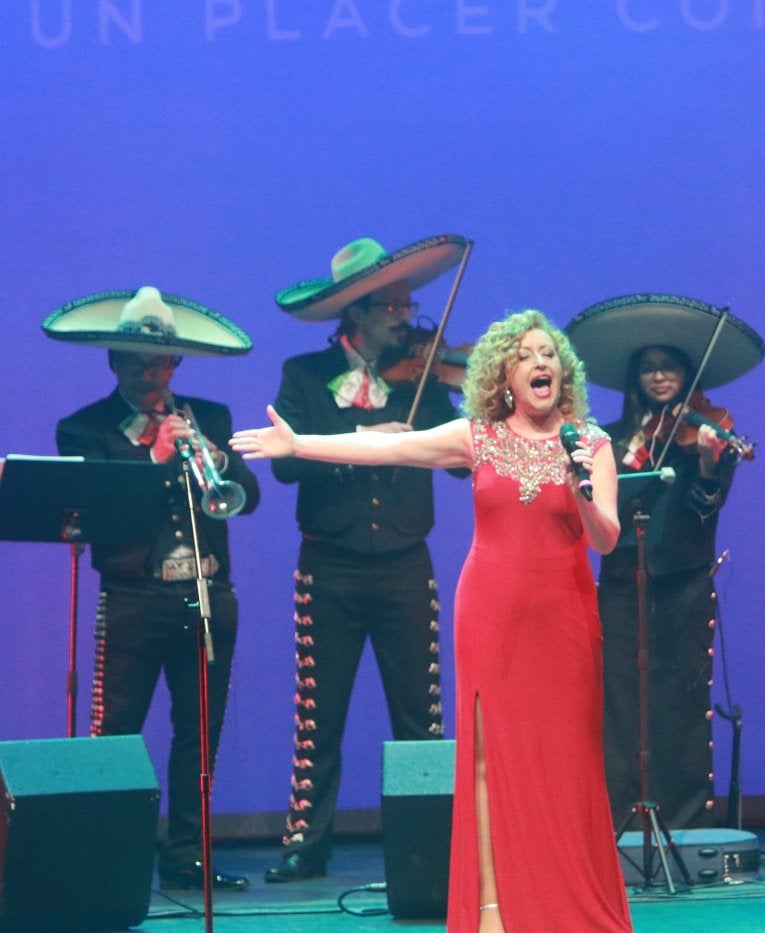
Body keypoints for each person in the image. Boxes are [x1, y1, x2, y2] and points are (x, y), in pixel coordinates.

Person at [233, 309, 631, 933]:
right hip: (492, 609)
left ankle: (569, 905)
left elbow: (605, 539)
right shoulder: (478, 437)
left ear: (564, 370)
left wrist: (581, 488)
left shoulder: (592, 445)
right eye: (525, 354)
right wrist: (298, 443)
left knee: (569, 759)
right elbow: (384, 446)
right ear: (505, 373)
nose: (540, 363)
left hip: (564, 615)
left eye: (549, 353)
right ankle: (494, 911)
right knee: (484, 757)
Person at [262, 235, 470, 882]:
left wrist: (462, 392)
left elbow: (463, 464)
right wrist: (361, 437)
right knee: (319, 710)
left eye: (408, 303)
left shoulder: (425, 377)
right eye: (392, 305)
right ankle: (306, 839)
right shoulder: (304, 376)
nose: (406, 315)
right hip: (331, 564)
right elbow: (289, 465)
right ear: (356, 313)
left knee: (421, 709)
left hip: (407, 559)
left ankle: (431, 840)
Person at [45, 286, 260, 891]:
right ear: (114, 362)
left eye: (163, 362)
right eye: (139, 361)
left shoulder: (207, 417)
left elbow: (248, 500)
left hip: (207, 594)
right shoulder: (84, 429)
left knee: (200, 732)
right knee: (116, 731)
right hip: (134, 598)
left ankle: (189, 852)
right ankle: (110, 855)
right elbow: (104, 514)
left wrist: (213, 456)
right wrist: (158, 461)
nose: (152, 373)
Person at [567, 294, 765, 831]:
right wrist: (627, 455)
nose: (659, 377)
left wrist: (705, 464)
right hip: (620, 584)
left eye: (669, 367)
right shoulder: (608, 438)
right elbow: (606, 511)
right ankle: (619, 821)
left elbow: (707, 510)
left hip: (682, 582)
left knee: (680, 699)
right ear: (636, 379)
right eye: (650, 369)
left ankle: (684, 820)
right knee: (621, 703)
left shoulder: (708, 433)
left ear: (685, 374)